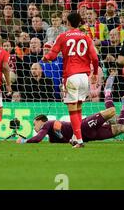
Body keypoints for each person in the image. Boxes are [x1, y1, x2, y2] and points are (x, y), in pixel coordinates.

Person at [18, 78, 124, 144]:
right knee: (122, 128)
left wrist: (24, 141)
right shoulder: (51, 138)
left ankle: (107, 92)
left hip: (85, 127)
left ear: (40, 120)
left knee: (111, 111)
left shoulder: (48, 124)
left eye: (34, 124)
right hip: (91, 136)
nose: (34, 128)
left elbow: (40, 136)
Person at [42, 12, 99, 148]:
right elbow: (95, 58)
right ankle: (75, 137)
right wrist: (95, 73)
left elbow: (51, 55)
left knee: (72, 109)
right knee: (78, 108)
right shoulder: (86, 37)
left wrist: (45, 58)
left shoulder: (62, 36)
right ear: (79, 23)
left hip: (71, 76)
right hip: (84, 77)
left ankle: (79, 141)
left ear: (67, 22)